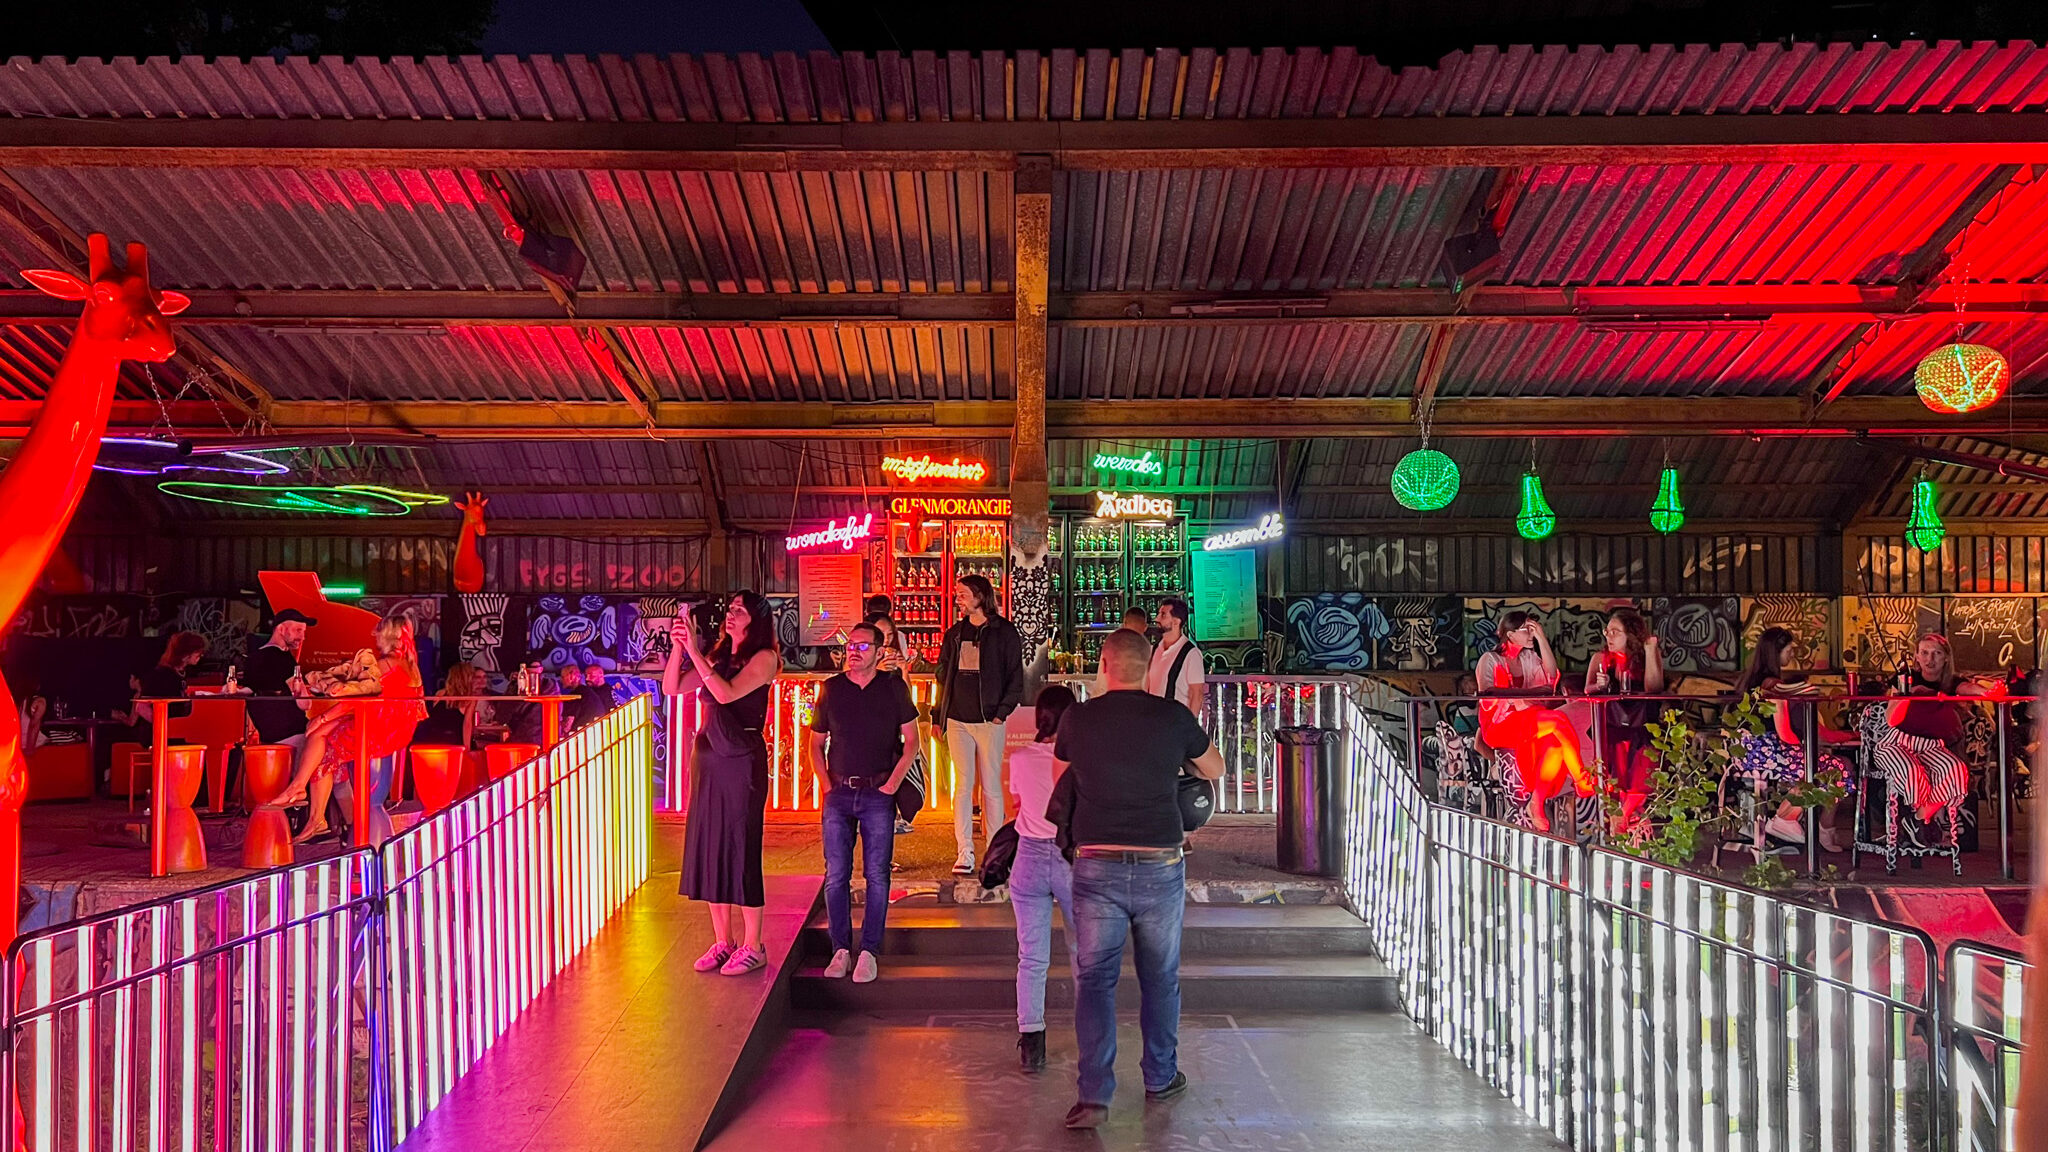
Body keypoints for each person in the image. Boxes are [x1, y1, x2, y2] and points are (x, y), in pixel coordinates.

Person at [1053, 628, 1225, 1129]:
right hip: (1159, 864)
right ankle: (1160, 1076)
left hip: (1097, 862)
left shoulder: (1078, 718)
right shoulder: (1171, 716)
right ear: (1149, 669)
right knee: (1160, 978)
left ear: (1103, 666)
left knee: (1095, 982)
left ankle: (1093, 1095)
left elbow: (1059, 772)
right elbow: (1214, 768)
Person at [665, 590, 782, 976]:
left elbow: (725, 692)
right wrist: (681, 647)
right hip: (710, 755)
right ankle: (722, 940)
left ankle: (754, 944)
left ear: (755, 618)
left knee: (741, 846)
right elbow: (671, 688)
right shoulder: (719, 655)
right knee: (709, 845)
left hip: (741, 758)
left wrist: (697, 655)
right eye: (729, 609)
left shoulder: (764, 659)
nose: (730, 615)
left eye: (738, 610)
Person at [804, 621, 919, 985]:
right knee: (836, 874)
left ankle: (869, 950)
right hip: (838, 793)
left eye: (863, 646)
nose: (853, 651)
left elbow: (912, 741)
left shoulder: (893, 687)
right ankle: (840, 948)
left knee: (876, 875)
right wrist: (824, 784)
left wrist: (893, 783)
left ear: (879, 652)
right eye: (850, 645)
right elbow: (814, 742)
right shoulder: (832, 689)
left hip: (877, 792)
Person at [272, 615, 426, 844]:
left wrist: (323, 716)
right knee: (320, 737)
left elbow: (357, 699)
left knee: (320, 740)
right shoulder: (410, 663)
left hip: (378, 729)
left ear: (386, 635)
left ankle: (307, 801)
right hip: (396, 728)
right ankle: (310, 805)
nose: (373, 636)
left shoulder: (384, 664)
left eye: (377, 632)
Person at [1005, 683, 1079, 1072]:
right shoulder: (1079, 761)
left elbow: (1018, 805)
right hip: (1070, 858)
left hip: (1029, 858)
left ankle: (1031, 1043)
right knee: (1084, 954)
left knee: (1031, 958)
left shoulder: (1019, 758)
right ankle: (1091, 1036)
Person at [1731, 627, 1852, 852]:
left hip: (1748, 753)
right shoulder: (1772, 685)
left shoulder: (1753, 680)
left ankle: (1801, 823)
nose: (1792, 654)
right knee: (1834, 768)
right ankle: (1787, 819)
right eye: (1789, 649)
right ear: (1775, 652)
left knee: (1825, 765)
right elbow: (1784, 731)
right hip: (1766, 753)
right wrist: (1805, 749)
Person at [935, 574, 1023, 875]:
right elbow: (942, 673)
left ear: (980, 596)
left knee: (991, 786)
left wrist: (1002, 711)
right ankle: (965, 850)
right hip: (957, 717)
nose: (958, 598)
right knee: (962, 786)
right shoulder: (956, 632)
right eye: (957, 593)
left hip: (989, 718)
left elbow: (1015, 675)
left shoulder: (1003, 632)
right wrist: (939, 714)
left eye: (963, 594)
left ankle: (995, 853)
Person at [1475, 610, 1590, 833]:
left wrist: (1542, 639)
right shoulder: (1490, 659)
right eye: (1526, 630)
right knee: (1558, 720)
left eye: (1532, 630)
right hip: (1501, 724)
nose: (1530, 634)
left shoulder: (1528, 657)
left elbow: (1551, 677)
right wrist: (1526, 695)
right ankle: (1581, 778)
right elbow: (1487, 693)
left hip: (1530, 718)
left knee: (1555, 743)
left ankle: (1536, 802)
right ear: (1509, 634)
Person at [1875, 633, 1994, 835]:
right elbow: (1891, 720)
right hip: (1897, 741)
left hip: (1932, 744)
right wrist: (1907, 696)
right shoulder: (1904, 679)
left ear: (1946, 657)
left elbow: (1967, 688)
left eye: (1936, 653)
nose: (1930, 659)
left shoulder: (1951, 682)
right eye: (1925, 653)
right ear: (1917, 656)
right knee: (1912, 770)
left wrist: (1988, 692)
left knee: (1957, 771)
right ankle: (1919, 822)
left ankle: (1918, 818)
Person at [1583, 608, 1663, 829]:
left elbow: (1654, 688)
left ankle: (1622, 816)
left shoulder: (1646, 657)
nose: (1608, 636)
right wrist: (1599, 686)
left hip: (1642, 724)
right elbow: (1586, 690)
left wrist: (1650, 650)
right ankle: (1624, 818)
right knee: (1615, 766)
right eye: (1607, 631)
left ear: (1631, 634)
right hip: (1612, 724)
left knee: (1645, 762)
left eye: (1615, 632)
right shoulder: (1600, 658)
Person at [243, 609, 315, 752]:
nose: (303, 637)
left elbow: (248, 691)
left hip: (268, 735)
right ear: (281, 629)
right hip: (294, 734)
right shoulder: (284, 659)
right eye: (298, 630)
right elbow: (304, 704)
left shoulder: (253, 658)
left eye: (303, 632)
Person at [133, 631, 206, 748]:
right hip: (159, 735)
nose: (201, 655)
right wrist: (162, 725)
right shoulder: (161, 675)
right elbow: (141, 707)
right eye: (198, 652)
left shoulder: (180, 674)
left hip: (175, 731)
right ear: (186, 654)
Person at [1145, 598, 1205, 719]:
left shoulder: (1192, 654)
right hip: (1154, 722)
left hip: (1177, 724)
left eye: (1163, 615)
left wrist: (1189, 727)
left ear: (1176, 622)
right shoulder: (1154, 650)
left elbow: (1197, 694)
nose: (1157, 619)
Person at [413, 662, 487, 749]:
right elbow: (467, 725)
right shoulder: (470, 698)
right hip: (453, 741)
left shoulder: (440, 693)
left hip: (431, 738)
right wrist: (467, 748)